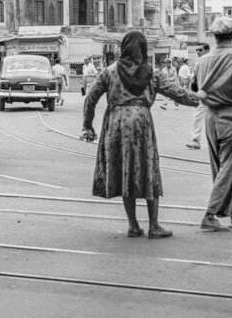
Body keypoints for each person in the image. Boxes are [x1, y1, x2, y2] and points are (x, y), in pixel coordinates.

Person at [81, 31, 199, 239]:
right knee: (148, 169)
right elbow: (178, 94)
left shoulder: (109, 72)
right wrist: (202, 99)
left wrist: (87, 126)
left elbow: (90, 98)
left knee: (125, 170)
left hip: (116, 123)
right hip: (142, 122)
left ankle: (133, 225)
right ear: (144, 49)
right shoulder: (151, 74)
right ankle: (154, 225)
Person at [193, 16, 232, 231]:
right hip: (231, 117)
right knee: (229, 167)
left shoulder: (202, 60)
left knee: (220, 167)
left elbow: (194, 86)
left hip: (210, 116)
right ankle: (210, 215)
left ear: (214, 36)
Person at [186, 44, 209, 150]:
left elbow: (193, 78)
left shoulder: (203, 61)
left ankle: (196, 140)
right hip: (203, 94)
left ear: (207, 50)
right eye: (197, 50)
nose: (198, 52)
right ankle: (195, 140)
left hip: (208, 93)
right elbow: (193, 78)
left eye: (200, 50)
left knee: (199, 117)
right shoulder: (199, 62)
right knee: (198, 117)